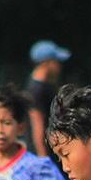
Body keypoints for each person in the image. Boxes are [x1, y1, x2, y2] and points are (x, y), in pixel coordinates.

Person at [25, 40, 70, 168]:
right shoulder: (36, 89)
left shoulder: (48, 86)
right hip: (45, 155)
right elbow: (37, 124)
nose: (60, 66)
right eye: (57, 62)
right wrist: (43, 159)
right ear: (46, 63)